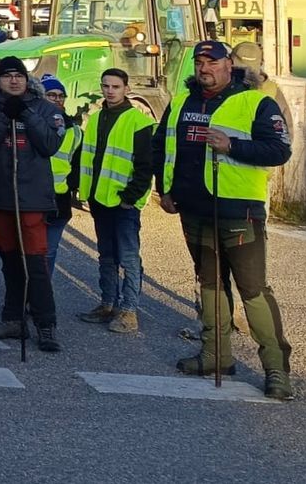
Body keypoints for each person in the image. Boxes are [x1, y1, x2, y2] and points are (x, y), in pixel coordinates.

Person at [156, 40, 294, 400]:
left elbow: (280, 150)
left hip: (238, 210)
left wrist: (232, 146)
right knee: (210, 285)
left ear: (229, 64)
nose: (205, 68)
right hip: (194, 208)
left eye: (212, 62)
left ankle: (277, 369)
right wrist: (165, 189)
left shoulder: (255, 102)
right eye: (200, 62)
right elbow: (163, 145)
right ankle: (216, 355)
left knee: (253, 291)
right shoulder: (182, 102)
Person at [0, 56, 65, 352]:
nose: (13, 81)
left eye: (18, 75)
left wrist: (27, 115)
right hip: (1, 198)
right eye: (7, 76)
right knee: (10, 262)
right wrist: (3, 118)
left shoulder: (45, 108)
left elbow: (49, 145)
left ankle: (46, 324)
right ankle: (13, 317)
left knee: (35, 263)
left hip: (32, 199)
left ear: (26, 78)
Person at [74, 68, 157, 334]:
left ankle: (129, 311)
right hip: (100, 199)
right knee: (107, 256)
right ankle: (107, 304)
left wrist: (130, 198)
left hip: (123, 203)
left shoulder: (138, 122)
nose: (110, 91)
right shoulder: (96, 118)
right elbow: (86, 156)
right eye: (106, 86)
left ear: (126, 89)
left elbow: (145, 166)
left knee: (129, 259)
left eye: (115, 87)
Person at [40, 74, 78, 279]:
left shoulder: (74, 130)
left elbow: (77, 165)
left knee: (49, 252)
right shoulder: (33, 123)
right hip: (34, 198)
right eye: (51, 95)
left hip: (59, 202)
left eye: (60, 95)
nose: (57, 99)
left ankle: (41, 297)